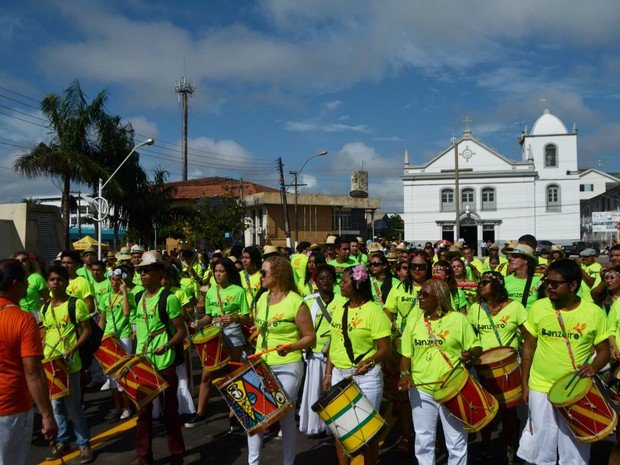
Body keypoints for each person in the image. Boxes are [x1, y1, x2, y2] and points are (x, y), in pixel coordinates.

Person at [517, 259, 609, 465]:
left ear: (573, 285)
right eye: (547, 282)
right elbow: (528, 348)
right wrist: (525, 385)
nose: (549, 287)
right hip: (540, 387)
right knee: (542, 445)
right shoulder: (539, 308)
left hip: (576, 390)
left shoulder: (593, 312)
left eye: (555, 283)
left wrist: (593, 367)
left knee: (574, 447)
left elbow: (604, 351)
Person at [398, 279, 482, 465]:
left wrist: (470, 355)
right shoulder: (413, 321)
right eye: (420, 293)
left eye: (425, 295)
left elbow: (476, 346)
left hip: (453, 388)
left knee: (456, 440)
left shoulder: (458, 319)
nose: (420, 297)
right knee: (423, 439)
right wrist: (405, 374)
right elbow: (405, 355)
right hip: (422, 389)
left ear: (440, 297)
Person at [249, 256, 315, 465]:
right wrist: (256, 330)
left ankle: (288, 462)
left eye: (264, 273)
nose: (260, 276)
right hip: (262, 363)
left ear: (277, 275)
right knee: (256, 416)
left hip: (288, 364)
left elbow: (309, 336)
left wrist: (291, 346)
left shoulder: (296, 301)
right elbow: (260, 325)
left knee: (284, 416)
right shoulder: (262, 299)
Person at [323, 265, 391, 465]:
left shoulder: (374, 312)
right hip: (339, 376)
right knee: (341, 431)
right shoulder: (339, 309)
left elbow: (385, 348)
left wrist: (369, 361)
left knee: (367, 432)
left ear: (357, 284)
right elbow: (334, 345)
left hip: (367, 377)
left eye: (344, 282)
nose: (340, 285)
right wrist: (328, 374)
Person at [0, 259, 57, 465]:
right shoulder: (23, 319)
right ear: (16, 284)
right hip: (11, 407)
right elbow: (33, 372)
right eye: (26, 281)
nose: (28, 285)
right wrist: (47, 415)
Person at [467, 271, 527, 463]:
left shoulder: (515, 307)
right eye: (479, 282)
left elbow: (528, 335)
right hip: (482, 366)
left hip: (507, 366)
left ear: (497, 285)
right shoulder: (475, 308)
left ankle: (510, 447)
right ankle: (486, 445)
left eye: (485, 282)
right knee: (486, 407)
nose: (480, 285)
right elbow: (470, 335)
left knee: (508, 410)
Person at [133, 251, 186, 465]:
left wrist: (167, 345)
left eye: (147, 270)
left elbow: (181, 332)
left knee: (170, 414)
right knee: (143, 414)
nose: (143, 274)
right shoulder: (138, 297)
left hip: (165, 364)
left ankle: (177, 456)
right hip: (143, 364)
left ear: (159, 272)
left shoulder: (169, 298)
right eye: (141, 271)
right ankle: (144, 456)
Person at [186, 258, 250, 429]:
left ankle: (234, 414)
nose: (218, 274)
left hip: (233, 334)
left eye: (221, 271)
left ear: (229, 272)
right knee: (207, 374)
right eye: (215, 271)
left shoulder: (238, 291)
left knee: (233, 374)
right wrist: (199, 323)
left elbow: (247, 317)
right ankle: (200, 413)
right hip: (214, 333)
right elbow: (208, 315)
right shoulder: (211, 291)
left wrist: (236, 318)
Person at [41, 265, 94, 463]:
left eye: (60, 279)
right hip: (51, 363)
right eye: (52, 279)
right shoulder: (45, 307)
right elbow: (46, 332)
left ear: (66, 282)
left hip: (70, 363)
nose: (56, 283)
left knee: (74, 407)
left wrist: (74, 348)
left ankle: (84, 445)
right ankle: (63, 441)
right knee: (56, 407)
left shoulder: (76, 304)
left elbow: (86, 330)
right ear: (47, 283)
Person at [298, 264, 346, 438]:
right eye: (321, 278)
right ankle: (316, 426)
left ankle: (335, 428)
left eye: (329, 278)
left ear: (334, 281)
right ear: (315, 281)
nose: (325, 281)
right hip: (316, 354)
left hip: (337, 354)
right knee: (315, 392)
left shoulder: (342, 300)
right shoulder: (309, 301)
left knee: (335, 393)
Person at [99, 265, 136, 421]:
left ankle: (128, 406)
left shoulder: (129, 295)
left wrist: (124, 292)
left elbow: (127, 313)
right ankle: (117, 406)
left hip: (124, 335)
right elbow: (102, 320)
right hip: (109, 337)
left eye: (117, 280)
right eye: (112, 279)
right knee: (111, 377)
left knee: (123, 373)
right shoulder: (104, 297)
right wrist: (99, 339)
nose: (114, 282)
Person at [504, 243, 542, 311]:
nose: (511, 259)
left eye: (516, 257)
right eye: (512, 256)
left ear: (526, 260)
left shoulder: (539, 281)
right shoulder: (505, 281)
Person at [12, 250, 49, 321]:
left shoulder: (37, 278)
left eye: (24, 260)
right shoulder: (11, 280)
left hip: (36, 315)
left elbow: (47, 299)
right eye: (18, 261)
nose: (21, 262)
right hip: (17, 315)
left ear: (29, 262)